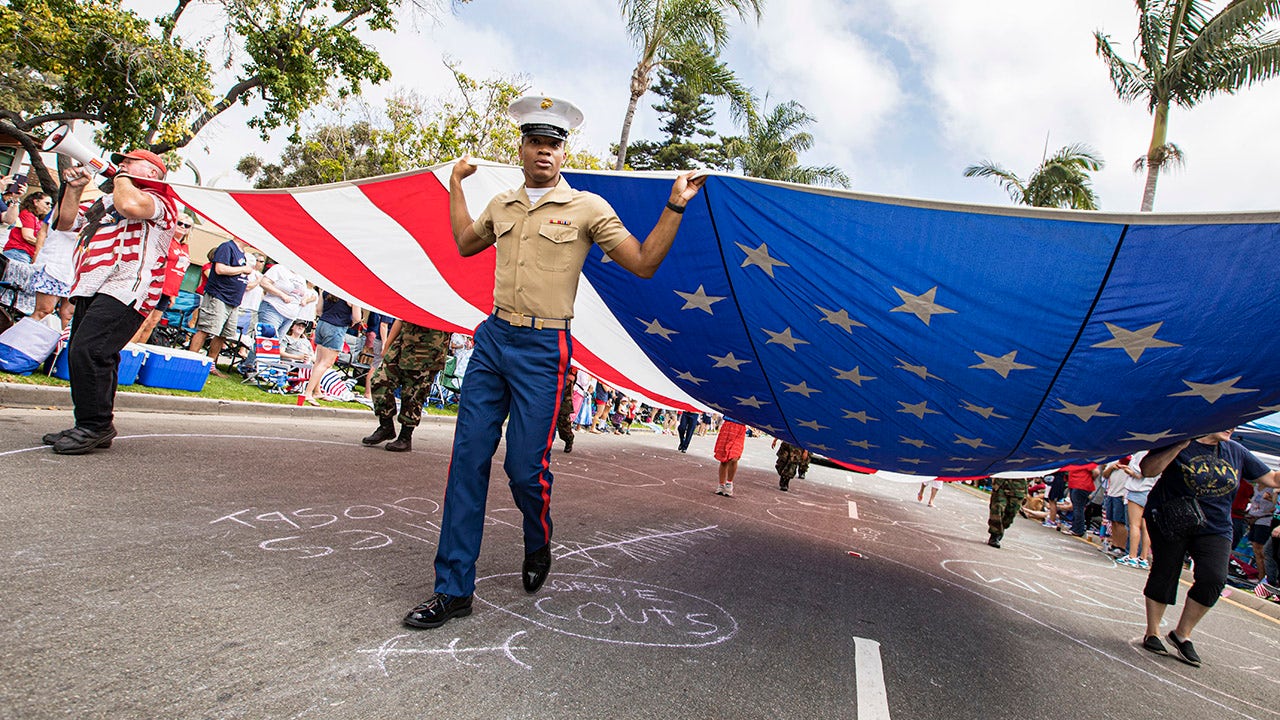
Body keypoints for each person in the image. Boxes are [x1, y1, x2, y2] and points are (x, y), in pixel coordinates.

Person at [403, 95, 705, 630]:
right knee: (467, 460)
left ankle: (538, 536)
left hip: (545, 349)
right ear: (520, 148)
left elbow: (643, 263)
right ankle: (453, 589)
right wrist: (456, 186)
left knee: (524, 469)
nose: (544, 152)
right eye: (535, 142)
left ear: (564, 153)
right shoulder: (501, 204)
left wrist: (675, 205)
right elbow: (462, 243)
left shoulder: (587, 208)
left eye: (554, 144)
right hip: (494, 339)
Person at [42, 149, 177, 454]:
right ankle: (91, 423)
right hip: (93, 286)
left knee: (88, 351)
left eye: (130, 162)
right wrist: (74, 190)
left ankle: (95, 425)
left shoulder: (161, 201)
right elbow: (66, 223)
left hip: (130, 287)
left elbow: (130, 204)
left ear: (152, 172)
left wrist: (123, 178)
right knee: (90, 353)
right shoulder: (107, 201)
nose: (122, 165)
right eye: (121, 162)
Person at [1137, 429, 1280, 667]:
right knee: (1165, 571)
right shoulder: (1180, 440)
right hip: (1173, 517)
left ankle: (1182, 634)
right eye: (1227, 422)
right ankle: (1153, 632)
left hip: (1215, 526)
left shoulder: (1237, 452)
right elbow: (1148, 470)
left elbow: (1273, 479)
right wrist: (1178, 446)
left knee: (1214, 578)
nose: (1231, 428)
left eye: (1235, 425)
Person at [360, 319, 449, 452]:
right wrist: (387, 347)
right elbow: (400, 318)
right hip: (402, 346)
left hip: (428, 352)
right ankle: (386, 426)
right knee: (379, 381)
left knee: (413, 395)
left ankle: (405, 437)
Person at [187, 235, 253, 374]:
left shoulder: (242, 254)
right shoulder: (227, 247)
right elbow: (220, 269)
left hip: (233, 301)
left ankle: (210, 365)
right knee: (206, 329)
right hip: (218, 296)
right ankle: (189, 362)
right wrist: (242, 269)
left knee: (223, 334)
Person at [130, 213, 192, 344]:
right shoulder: (166, 240)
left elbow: (180, 272)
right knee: (143, 321)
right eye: (179, 223)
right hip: (155, 285)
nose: (183, 227)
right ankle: (128, 353)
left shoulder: (185, 247)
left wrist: (173, 294)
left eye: (186, 225)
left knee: (152, 324)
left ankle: (138, 353)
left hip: (169, 290)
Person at [301, 290, 361, 405]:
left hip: (322, 324)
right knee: (326, 363)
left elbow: (318, 311)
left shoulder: (327, 290)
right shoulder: (352, 294)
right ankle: (307, 393)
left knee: (318, 362)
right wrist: (351, 321)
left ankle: (317, 391)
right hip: (336, 328)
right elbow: (357, 317)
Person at [1119, 449, 1158, 569]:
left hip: (1138, 490)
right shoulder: (1158, 454)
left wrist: (1127, 470)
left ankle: (1132, 556)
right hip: (1151, 491)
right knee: (1146, 527)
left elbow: (1139, 473)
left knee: (1134, 525)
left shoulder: (1141, 453)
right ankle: (1144, 558)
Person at [1100, 456, 1140, 556]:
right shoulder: (1114, 459)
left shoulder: (1131, 459)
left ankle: (1121, 547)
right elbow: (1105, 475)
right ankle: (1115, 544)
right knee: (1112, 520)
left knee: (1120, 521)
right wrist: (1111, 467)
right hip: (1111, 492)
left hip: (1122, 493)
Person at [4, 191, 51, 263]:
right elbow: (28, 236)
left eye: (51, 204)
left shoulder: (40, 220)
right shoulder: (27, 214)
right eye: (47, 203)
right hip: (18, 253)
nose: (49, 206)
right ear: (36, 202)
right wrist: (44, 244)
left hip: (27, 255)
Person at [986, 476, 1028, 548]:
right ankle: (995, 535)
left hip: (1018, 487)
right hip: (1001, 483)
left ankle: (1001, 529)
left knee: (1011, 513)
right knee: (997, 509)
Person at [1061, 461, 1100, 537]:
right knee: (1077, 507)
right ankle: (1075, 528)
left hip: (1081, 485)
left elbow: (1096, 472)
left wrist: (1089, 479)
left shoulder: (1086, 460)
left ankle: (1078, 530)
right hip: (1075, 485)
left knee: (1078, 508)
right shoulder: (1077, 460)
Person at [713, 419, 747, 496]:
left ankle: (729, 483)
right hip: (727, 426)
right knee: (723, 459)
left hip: (740, 427)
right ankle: (721, 485)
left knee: (734, 457)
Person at [556, 366, 578, 452]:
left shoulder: (572, 366)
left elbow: (570, 378)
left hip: (564, 396)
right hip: (551, 389)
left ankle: (569, 439)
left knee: (563, 421)